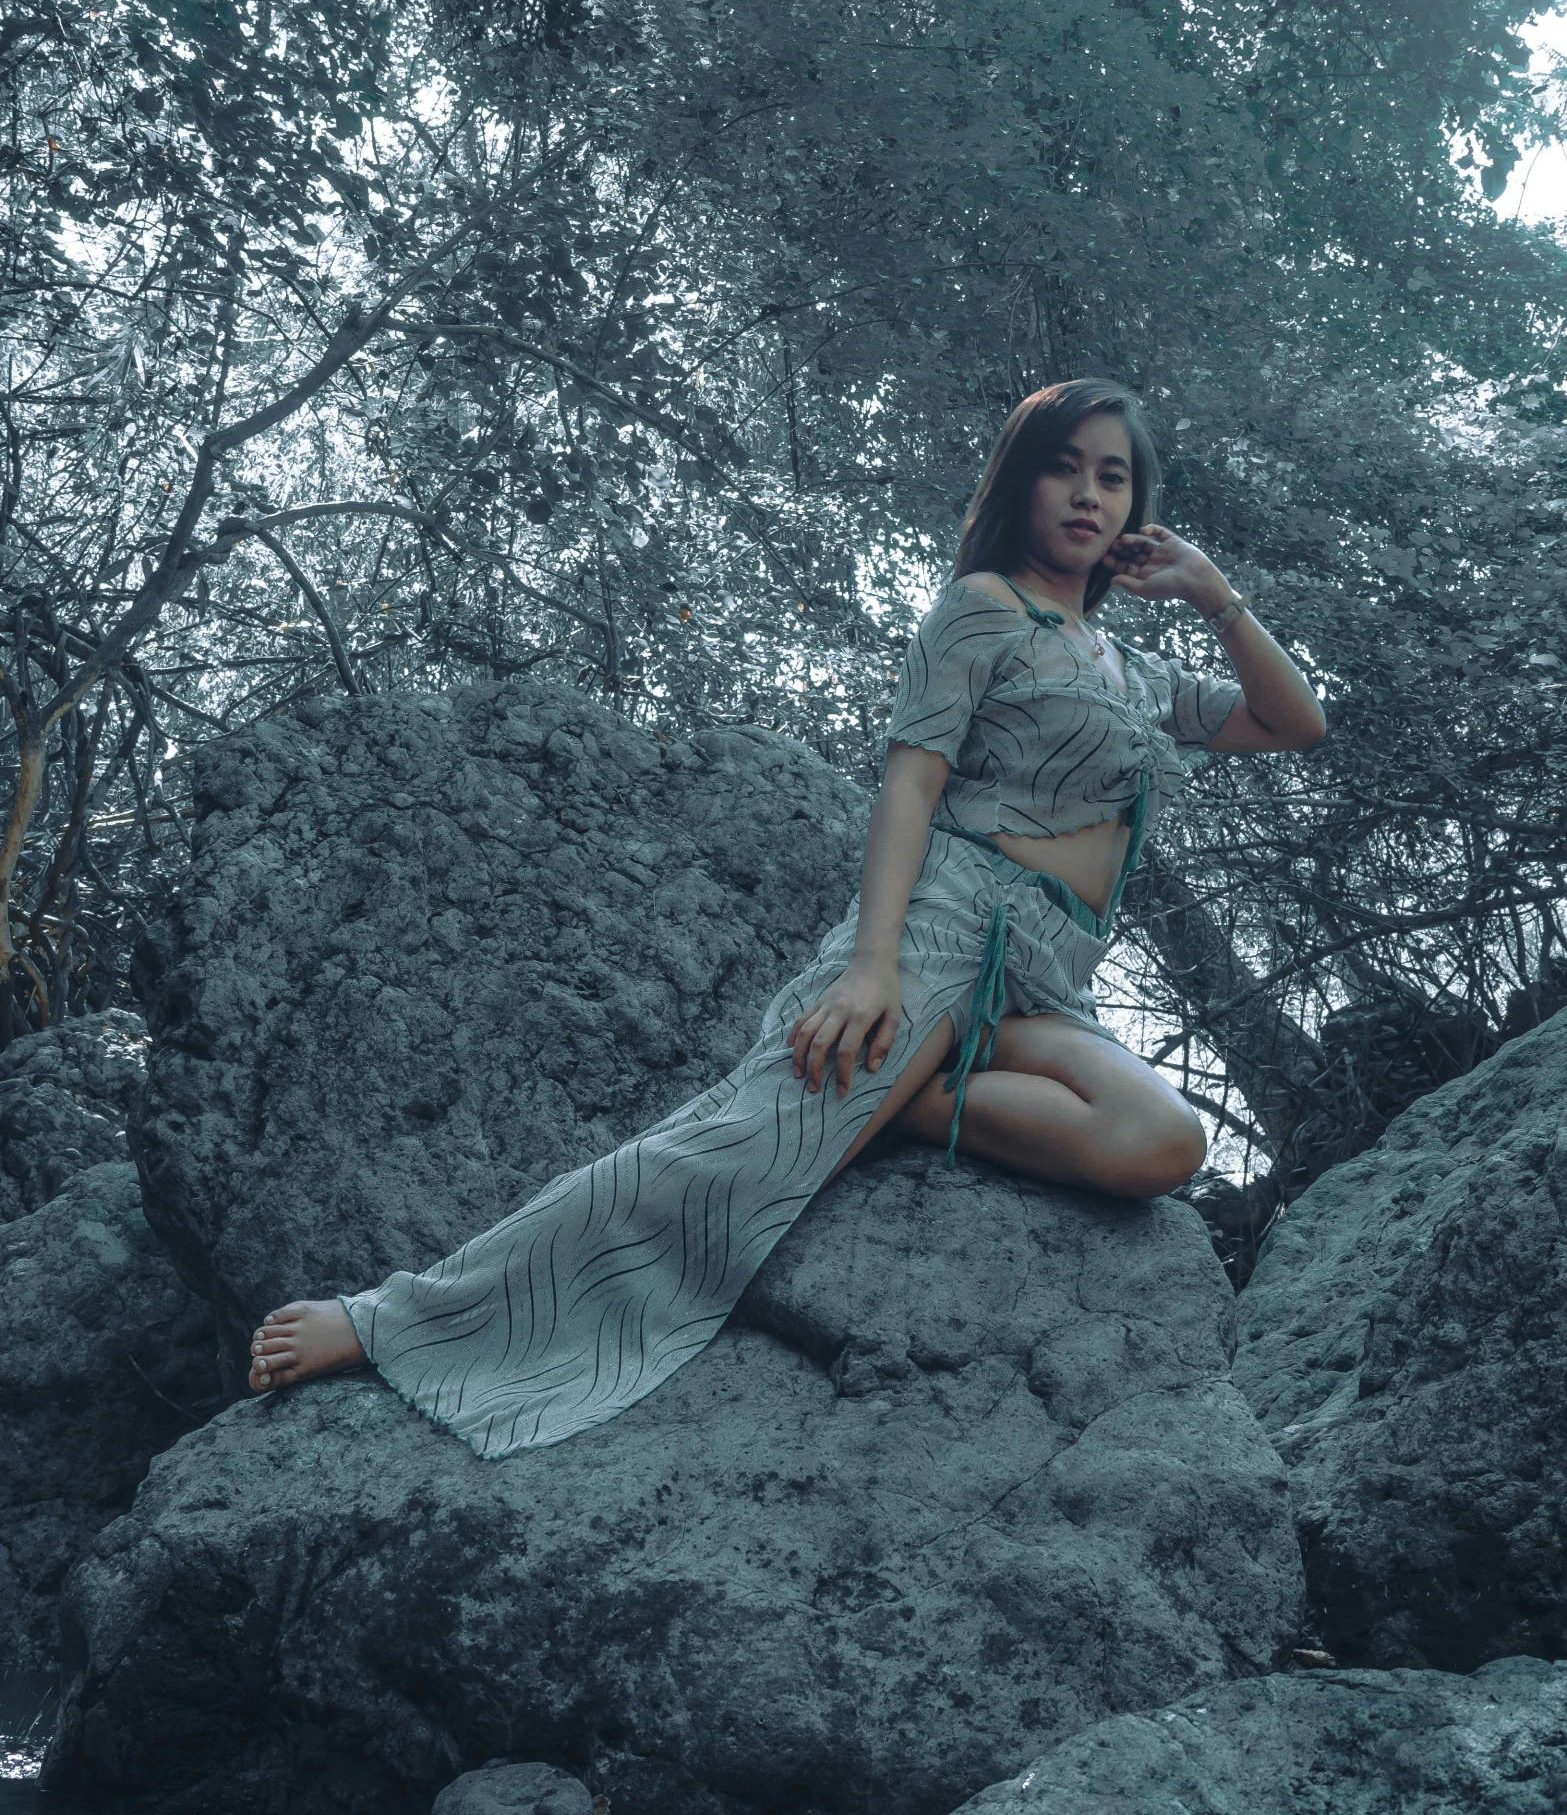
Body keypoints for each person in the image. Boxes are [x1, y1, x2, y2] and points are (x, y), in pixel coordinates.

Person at [248, 378, 1324, 1457]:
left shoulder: (1131, 670)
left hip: (1042, 976)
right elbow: (907, 786)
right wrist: (870, 967)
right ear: (1020, 479)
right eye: (1063, 465)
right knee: (723, 1149)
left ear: (1136, 503)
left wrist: (1211, 591)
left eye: (1112, 474)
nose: (1087, 494)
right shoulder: (983, 609)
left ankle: (902, 1103)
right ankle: (388, 1319)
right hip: (942, 935)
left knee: (1162, 1139)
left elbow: (1292, 721)